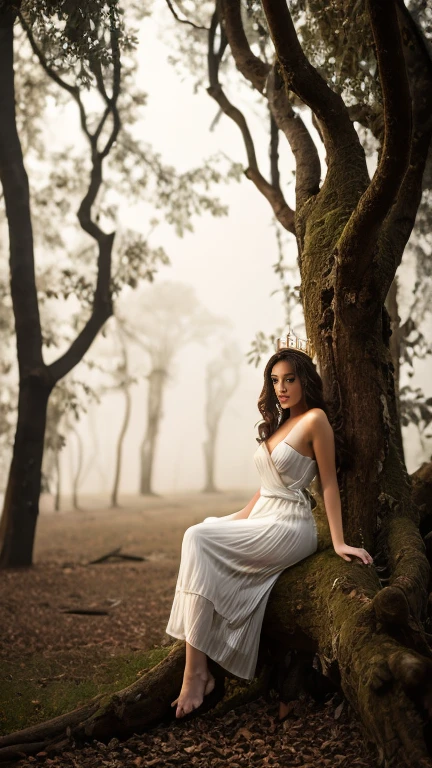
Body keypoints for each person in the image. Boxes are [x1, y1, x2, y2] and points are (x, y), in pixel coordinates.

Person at [166, 337, 373, 720]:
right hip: (264, 514)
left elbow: (327, 482)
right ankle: (197, 671)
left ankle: (196, 675)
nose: (281, 387)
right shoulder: (278, 425)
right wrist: (231, 521)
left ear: (304, 382)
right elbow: (264, 490)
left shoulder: (315, 420)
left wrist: (340, 542)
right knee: (199, 532)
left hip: (291, 525)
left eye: (290, 379)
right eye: (275, 380)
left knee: (198, 538)